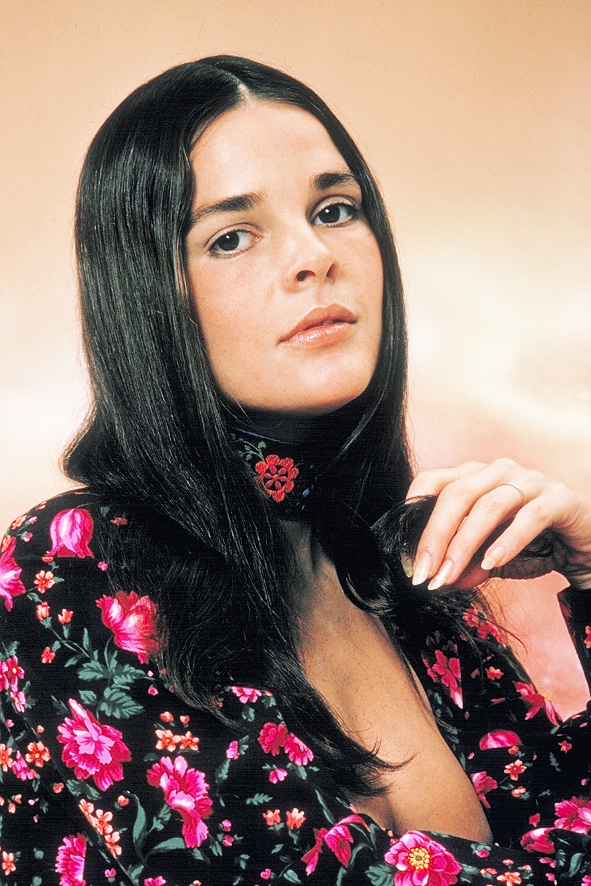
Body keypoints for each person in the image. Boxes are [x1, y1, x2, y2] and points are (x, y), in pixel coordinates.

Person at [1, 55, 591, 886]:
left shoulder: (409, 579)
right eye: (231, 237)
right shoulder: (75, 564)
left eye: (334, 210)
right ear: (149, 297)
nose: (314, 255)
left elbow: (565, 828)